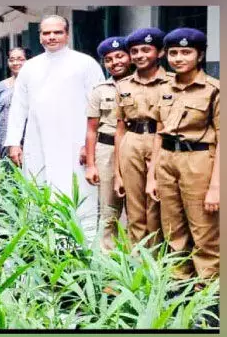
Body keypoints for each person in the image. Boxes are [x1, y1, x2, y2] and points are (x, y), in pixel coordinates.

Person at [5, 14, 105, 236]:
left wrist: (89, 146)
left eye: (57, 32)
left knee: (78, 194)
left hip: (75, 143)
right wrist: (13, 142)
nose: (51, 37)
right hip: (38, 141)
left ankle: (83, 246)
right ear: (39, 36)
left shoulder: (85, 64)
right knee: (39, 190)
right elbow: (19, 107)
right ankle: (43, 245)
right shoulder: (30, 68)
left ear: (67, 34)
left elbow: (99, 108)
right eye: (46, 33)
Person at [146, 28, 219, 281]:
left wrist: (216, 187)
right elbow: (158, 131)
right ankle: (180, 281)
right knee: (172, 227)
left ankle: (208, 291)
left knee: (204, 230)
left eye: (186, 52)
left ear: (199, 56)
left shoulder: (214, 90)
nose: (178, 58)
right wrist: (152, 175)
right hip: (167, 159)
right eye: (174, 53)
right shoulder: (165, 88)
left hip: (198, 162)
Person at [113, 28, 169, 247]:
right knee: (134, 207)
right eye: (134, 51)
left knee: (156, 205)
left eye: (146, 49)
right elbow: (119, 129)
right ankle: (137, 261)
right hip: (132, 141)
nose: (140, 55)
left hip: (161, 142)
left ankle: (157, 259)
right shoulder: (124, 85)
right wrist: (117, 173)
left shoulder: (172, 83)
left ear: (160, 52)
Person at [85, 37, 130, 250]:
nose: (115, 62)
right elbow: (91, 129)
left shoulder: (148, 86)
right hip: (107, 151)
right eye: (108, 59)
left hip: (136, 148)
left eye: (120, 56)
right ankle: (108, 263)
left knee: (139, 212)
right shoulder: (100, 90)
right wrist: (92, 164)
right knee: (108, 211)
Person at [0, 47, 28, 159]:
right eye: (12, 59)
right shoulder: (2, 85)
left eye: (20, 59)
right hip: (4, 137)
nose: (15, 63)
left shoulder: (35, 85)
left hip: (28, 137)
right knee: (7, 171)